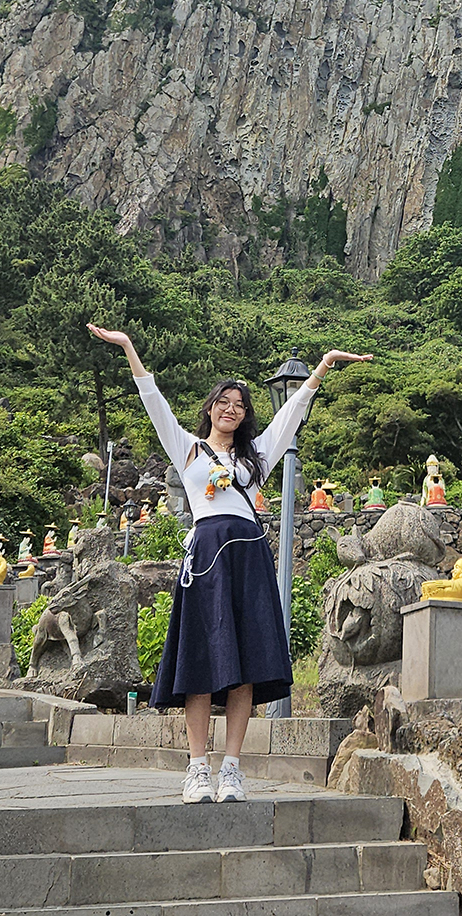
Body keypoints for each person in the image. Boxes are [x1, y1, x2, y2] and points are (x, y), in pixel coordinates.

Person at [88, 323, 370, 805]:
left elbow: (292, 413)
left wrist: (322, 366)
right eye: (224, 402)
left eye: (239, 404)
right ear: (211, 408)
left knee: (243, 666)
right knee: (200, 662)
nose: (231, 409)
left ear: (245, 415)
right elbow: (152, 399)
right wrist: (128, 346)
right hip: (205, 558)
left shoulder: (257, 456)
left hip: (247, 556)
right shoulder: (188, 449)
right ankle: (197, 769)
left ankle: (232, 769)